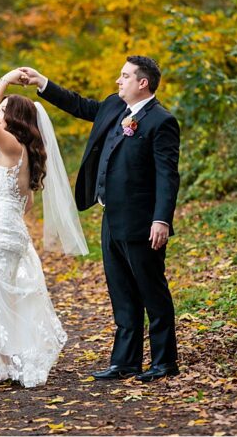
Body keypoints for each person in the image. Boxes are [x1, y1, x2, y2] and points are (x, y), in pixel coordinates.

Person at [19, 58, 181, 382]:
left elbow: (167, 175)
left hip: (142, 222)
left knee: (152, 291)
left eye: (124, 76)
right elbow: (80, 105)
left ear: (143, 83)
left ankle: (164, 362)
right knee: (121, 291)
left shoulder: (161, 122)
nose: (118, 81)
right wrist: (42, 82)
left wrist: (161, 220)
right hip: (111, 217)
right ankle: (125, 362)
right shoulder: (113, 107)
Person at [0, 69, 85, 388]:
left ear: (15, 118)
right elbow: (29, 205)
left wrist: (4, 80)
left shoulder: (11, 146)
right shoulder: (19, 152)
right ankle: (9, 362)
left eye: (2, 110)